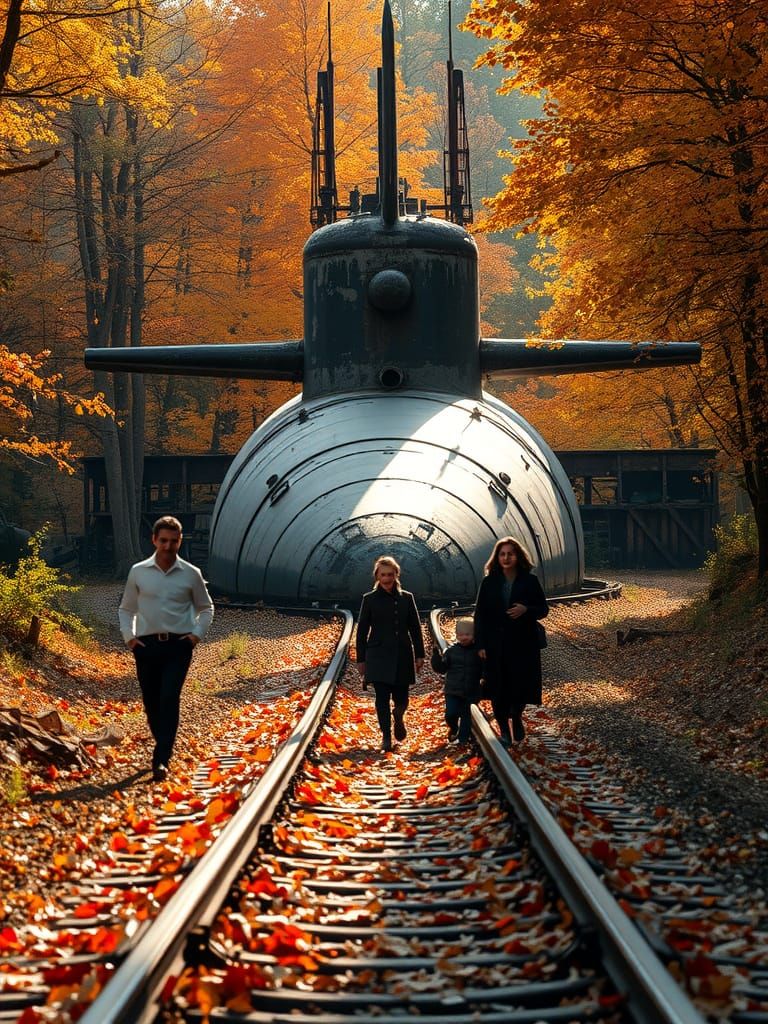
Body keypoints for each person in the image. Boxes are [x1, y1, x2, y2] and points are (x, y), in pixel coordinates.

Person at [118, 516, 214, 781]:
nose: (168, 546)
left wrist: (195, 636)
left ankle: (161, 758)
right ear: (154, 540)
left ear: (180, 541)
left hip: (178, 646)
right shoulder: (138, 571)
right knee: (151, 701)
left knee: (169, 697)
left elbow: (206, 607)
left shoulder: (191, 573)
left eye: (173, 541)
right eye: (163, 540)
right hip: (146, 646)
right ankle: (162, 742)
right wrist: (130, 639)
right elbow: (126, 608)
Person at [473, 537, 548, 745]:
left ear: (518, 557)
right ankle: (504, 731)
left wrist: (526, 609)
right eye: (502, 554)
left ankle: (516, 716)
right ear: (497, 557)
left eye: (510, 554)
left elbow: (543, 609)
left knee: (520, 685)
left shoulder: (529, 581)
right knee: (497, 688)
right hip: (495, 644)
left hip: (523, 644)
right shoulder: (489, 582)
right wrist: (480, 644)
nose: (506, 558)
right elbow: (480, 615)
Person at [356, 555, 424, 752]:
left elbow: (415, 627)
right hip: (377, 655)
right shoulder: (369, 599)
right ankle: (386, 736)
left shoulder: (406, 598)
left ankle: (399, 715)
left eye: (390, 574)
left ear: (396, 575)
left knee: (402, 698)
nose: (386, 578)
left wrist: (419, 654)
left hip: (402, 653)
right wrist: (361, 659)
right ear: (377, 576)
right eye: (383, 575)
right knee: (381, 698)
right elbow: (362, 631)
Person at [430, 616, 483, 746]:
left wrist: (484, 679)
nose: (464, 637)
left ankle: (463, 740)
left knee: (466, 716)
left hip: (471, 690)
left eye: (468, 634)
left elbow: (484, 668)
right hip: (452, 690)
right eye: (461, 635)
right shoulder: (451, 651)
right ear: (456, 635)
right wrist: (436, 657)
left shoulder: (478, 651)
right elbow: (442, 668)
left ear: (474, 635)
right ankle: (453, 727)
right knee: (450, 714)